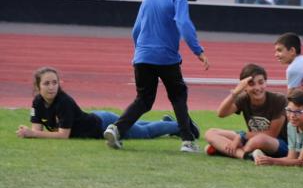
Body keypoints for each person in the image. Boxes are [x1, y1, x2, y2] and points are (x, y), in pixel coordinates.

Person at [103, 0, 209, 153]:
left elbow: (136, 29)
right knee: (178, 96)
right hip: (166, 58)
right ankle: (187, 141)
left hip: (142, 57)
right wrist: (198, 51)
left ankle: (116, 128)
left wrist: (140, 51)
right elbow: (184, 25)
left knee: (143, 99)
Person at [16, 67, 181, 141]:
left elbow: (62, 135)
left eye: (54, 82)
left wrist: (33, 134)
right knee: (136, 125)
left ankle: (182, 126)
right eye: (46, 84)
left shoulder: (63, 102)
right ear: (38, 87)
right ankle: (166, 123)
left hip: (103, 124)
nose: (51, 87)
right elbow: (37, 129)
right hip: (98, 117)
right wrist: (31, 132)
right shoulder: (37, 102)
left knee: (144, 133)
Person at [204, 63, 288, 160]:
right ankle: (247, 155)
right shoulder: (244, 98)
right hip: (250, 138)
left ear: (266, 82)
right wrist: (235, 93)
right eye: (251, 84)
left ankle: (223, 149)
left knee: (259, 140)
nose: (257, 88)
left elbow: (272, 134)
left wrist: (241, 136)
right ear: (244, 86)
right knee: (210, 133)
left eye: (261, 82)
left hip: (277, 143)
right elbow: (221, 113)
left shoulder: (279, 99)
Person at [255, 89, 303, 167]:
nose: (292, 116)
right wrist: (268, 160)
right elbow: (291, 157)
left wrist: (272, 161)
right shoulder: (291, 125)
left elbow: (301, 161)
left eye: (298, 112)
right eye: (289, 110)